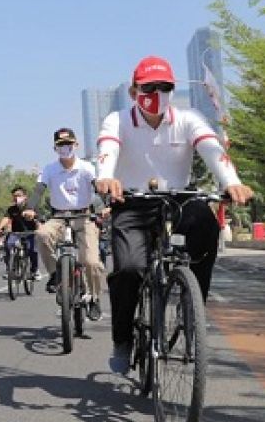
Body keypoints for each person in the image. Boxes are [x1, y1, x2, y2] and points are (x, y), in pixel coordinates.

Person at [96, 55, 253, 374]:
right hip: (132, 201)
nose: (158, 94)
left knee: (206, 224)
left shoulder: (188, 118)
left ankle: (192, 307)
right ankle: (123, 340)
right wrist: (106, 177)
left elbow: (212, 150)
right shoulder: (118, 120)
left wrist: (233, 184)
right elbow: (108, 149)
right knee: (128, 269)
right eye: (149, 87)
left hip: (179, 200)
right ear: (133, 91)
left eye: (165, 87)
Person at [24, 127, 104, 321]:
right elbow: (38, 190)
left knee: (91, 262)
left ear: (76, 145)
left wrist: (107, 205)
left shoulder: (86, 167)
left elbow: (98, 187)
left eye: (68, 144)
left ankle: (93, 298)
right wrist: (30, 208)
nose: (65, 148)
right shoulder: (50, 169)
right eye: (60, 145)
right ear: (55, 148)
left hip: (84, 217)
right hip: (58, 217)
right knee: (42, 235)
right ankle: (55, 274)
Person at [0, 186, 39, 278]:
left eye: (19, 195)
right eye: (14, 196)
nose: (16, 198)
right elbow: (6, 219)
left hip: (30, 233)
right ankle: (10, 269)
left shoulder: (32, 207)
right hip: (16, 234)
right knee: (8, 245)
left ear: (25, 196)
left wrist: (39, 228)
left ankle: (35, 270)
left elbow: (38, 220)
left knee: (32, 249)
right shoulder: (11, 209)